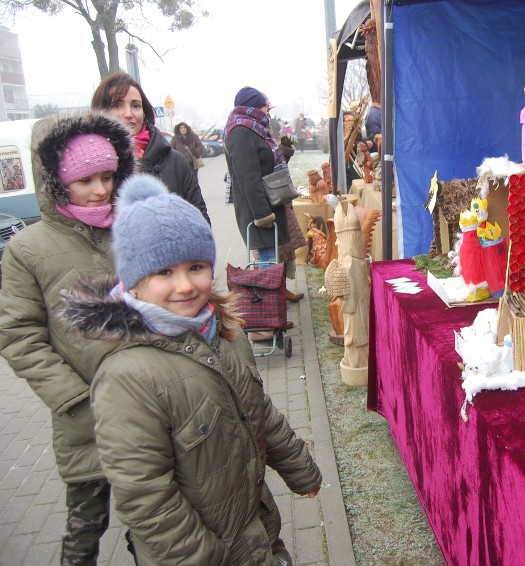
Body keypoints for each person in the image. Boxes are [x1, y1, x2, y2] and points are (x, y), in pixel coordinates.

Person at [60, 175, 323, 565]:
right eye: (163, 272)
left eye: (196, 267)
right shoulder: (126, 376)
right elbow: (146, 497)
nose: (184, 286)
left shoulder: (224, 331)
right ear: (133, 283)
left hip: (252, 529)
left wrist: (300, 469)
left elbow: (259, 409)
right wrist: (204, 556)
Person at [0, 112, 135, 565]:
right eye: (85, 180)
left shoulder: (130, 228)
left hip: (148, 405)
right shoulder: (27, 249)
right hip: (86, 415)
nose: (100, 190)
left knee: (153, 521)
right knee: (85, 528)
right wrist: (73, 398)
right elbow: (18, 334)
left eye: (108, 176)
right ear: (56, 181)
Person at [91, 72, 210, 223]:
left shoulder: (174, 161)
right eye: (117, 105)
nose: (128, 114)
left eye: (135, 106)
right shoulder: (89, 165)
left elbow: (200, 221)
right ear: (100, 111)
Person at [223, 86, 304, 303]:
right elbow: (247, 178)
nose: (268, 111)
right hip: (258, 211)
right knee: (267, 265)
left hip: (266, 206)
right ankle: (266, 320)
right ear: (254, 107)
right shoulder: (240, 132)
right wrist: (262, 215)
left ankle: (271, 315)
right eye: (265, 106)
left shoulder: (253, 129)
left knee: (270, 263)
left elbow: (265, 165)